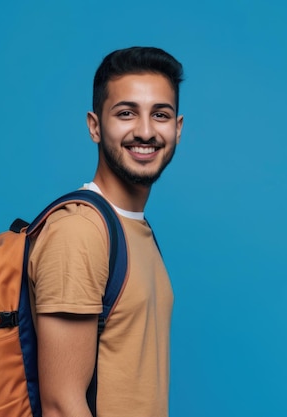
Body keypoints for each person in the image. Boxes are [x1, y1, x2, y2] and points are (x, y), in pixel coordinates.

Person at [28, 46, 184, 417]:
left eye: (159, 114)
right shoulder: (79, 231)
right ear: (95, 125)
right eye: (126, 113)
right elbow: (61, 406)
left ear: (177, 128)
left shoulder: (132, 227)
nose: (145, 131)